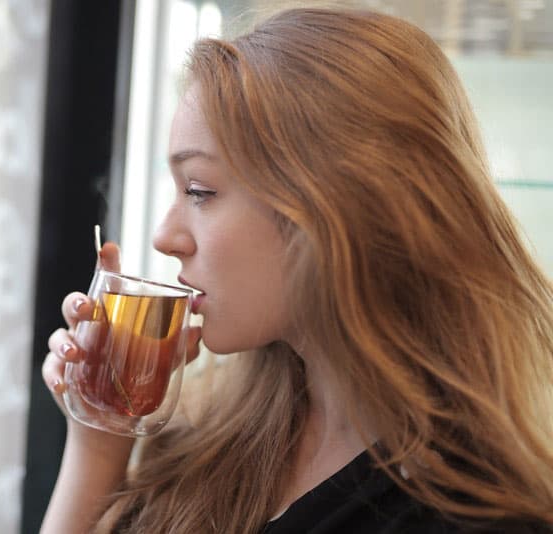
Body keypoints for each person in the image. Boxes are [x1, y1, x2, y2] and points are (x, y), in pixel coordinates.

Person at [40, 6, 553, 533]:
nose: (165, 238)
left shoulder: (475, 517)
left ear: (335, 203)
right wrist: (99, 439)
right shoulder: (218, 437)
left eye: (200, 190)